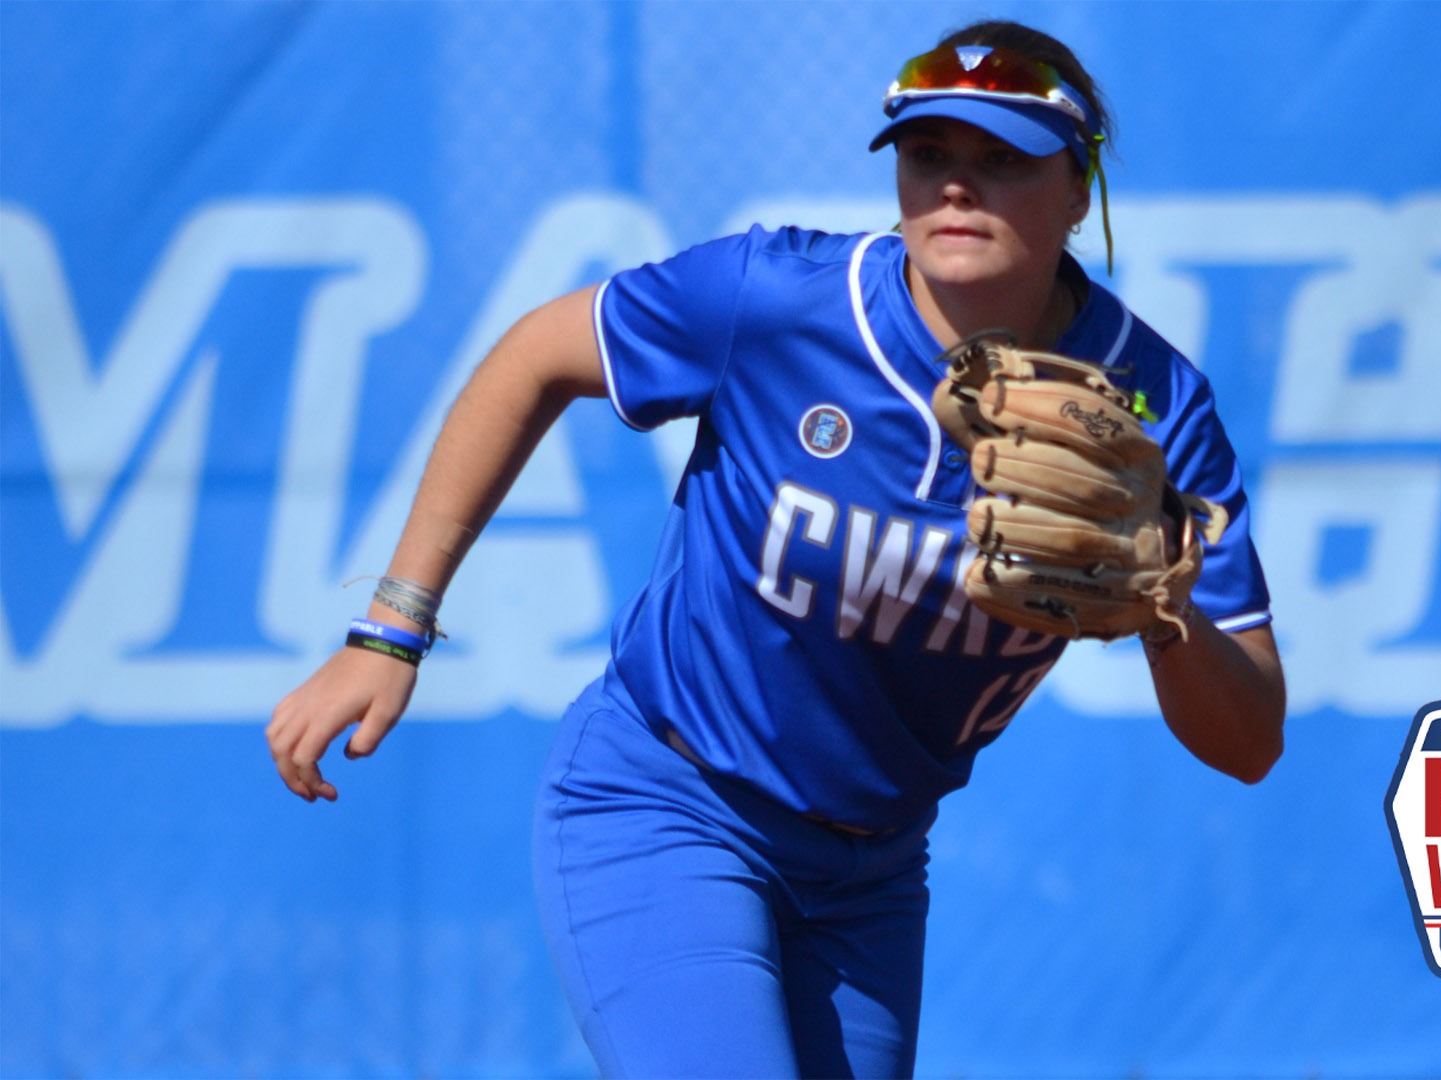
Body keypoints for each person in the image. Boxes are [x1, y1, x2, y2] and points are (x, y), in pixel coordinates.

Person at [267, 18, 1285, 1078]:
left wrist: (1166, 612)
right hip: (667, 802)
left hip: (874, 873)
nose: (955, 189)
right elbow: (535, 357)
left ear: (1078, 191)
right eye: (930, 154)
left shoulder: (1152, 408)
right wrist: (390, 628)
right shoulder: (779, 299)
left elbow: (1249, 739)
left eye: (1002, 159)